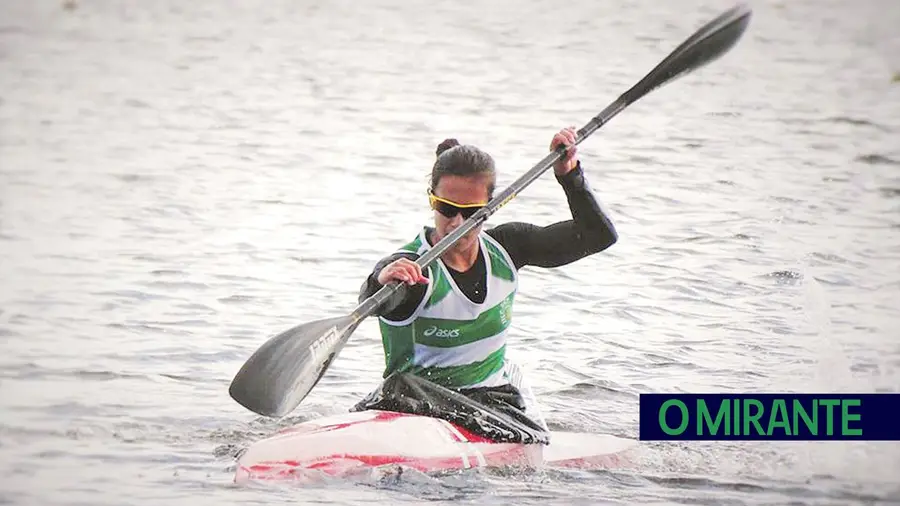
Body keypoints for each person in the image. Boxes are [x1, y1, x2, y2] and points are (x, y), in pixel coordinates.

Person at [352, 127, 618, 443]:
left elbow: (598, 236)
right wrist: (381, 279)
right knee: (400, 387)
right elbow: (374, 298)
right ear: (432, 201)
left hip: (493, 404)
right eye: (447, 209)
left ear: (491, 206)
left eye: (472, 213)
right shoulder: (413, 269)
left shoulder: (509, 248)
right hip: (415, 405)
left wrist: (570, 176)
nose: (456, 223)